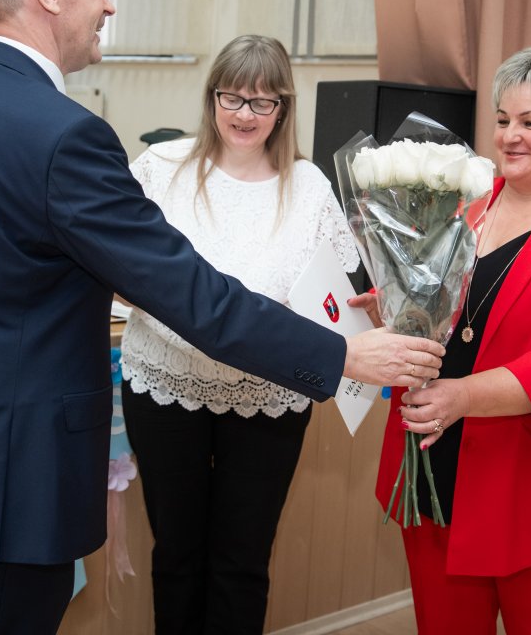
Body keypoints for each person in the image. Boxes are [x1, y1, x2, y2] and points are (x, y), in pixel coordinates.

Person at [0, 0, 445, 634]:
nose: (108, 4)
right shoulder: (67, 136)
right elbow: (190, 296)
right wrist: (341, 356)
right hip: (14, 482)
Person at [353, 46, 531, 634]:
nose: (510, 136)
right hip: (436, 468)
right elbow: (448, 313)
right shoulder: (460, 205)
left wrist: (462, 396)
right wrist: (395, 307)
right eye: (504, 119)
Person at [120, 34, 359, 633]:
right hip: (166, 387)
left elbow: (335, 293)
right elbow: (117, 267)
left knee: (243, 561)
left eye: (262, 101)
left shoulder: (309, 186)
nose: (244, 114)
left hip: (269, 396)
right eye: (232, 97)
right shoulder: (162, 167)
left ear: (283, 108)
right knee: (177, 554)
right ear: (211, 98)